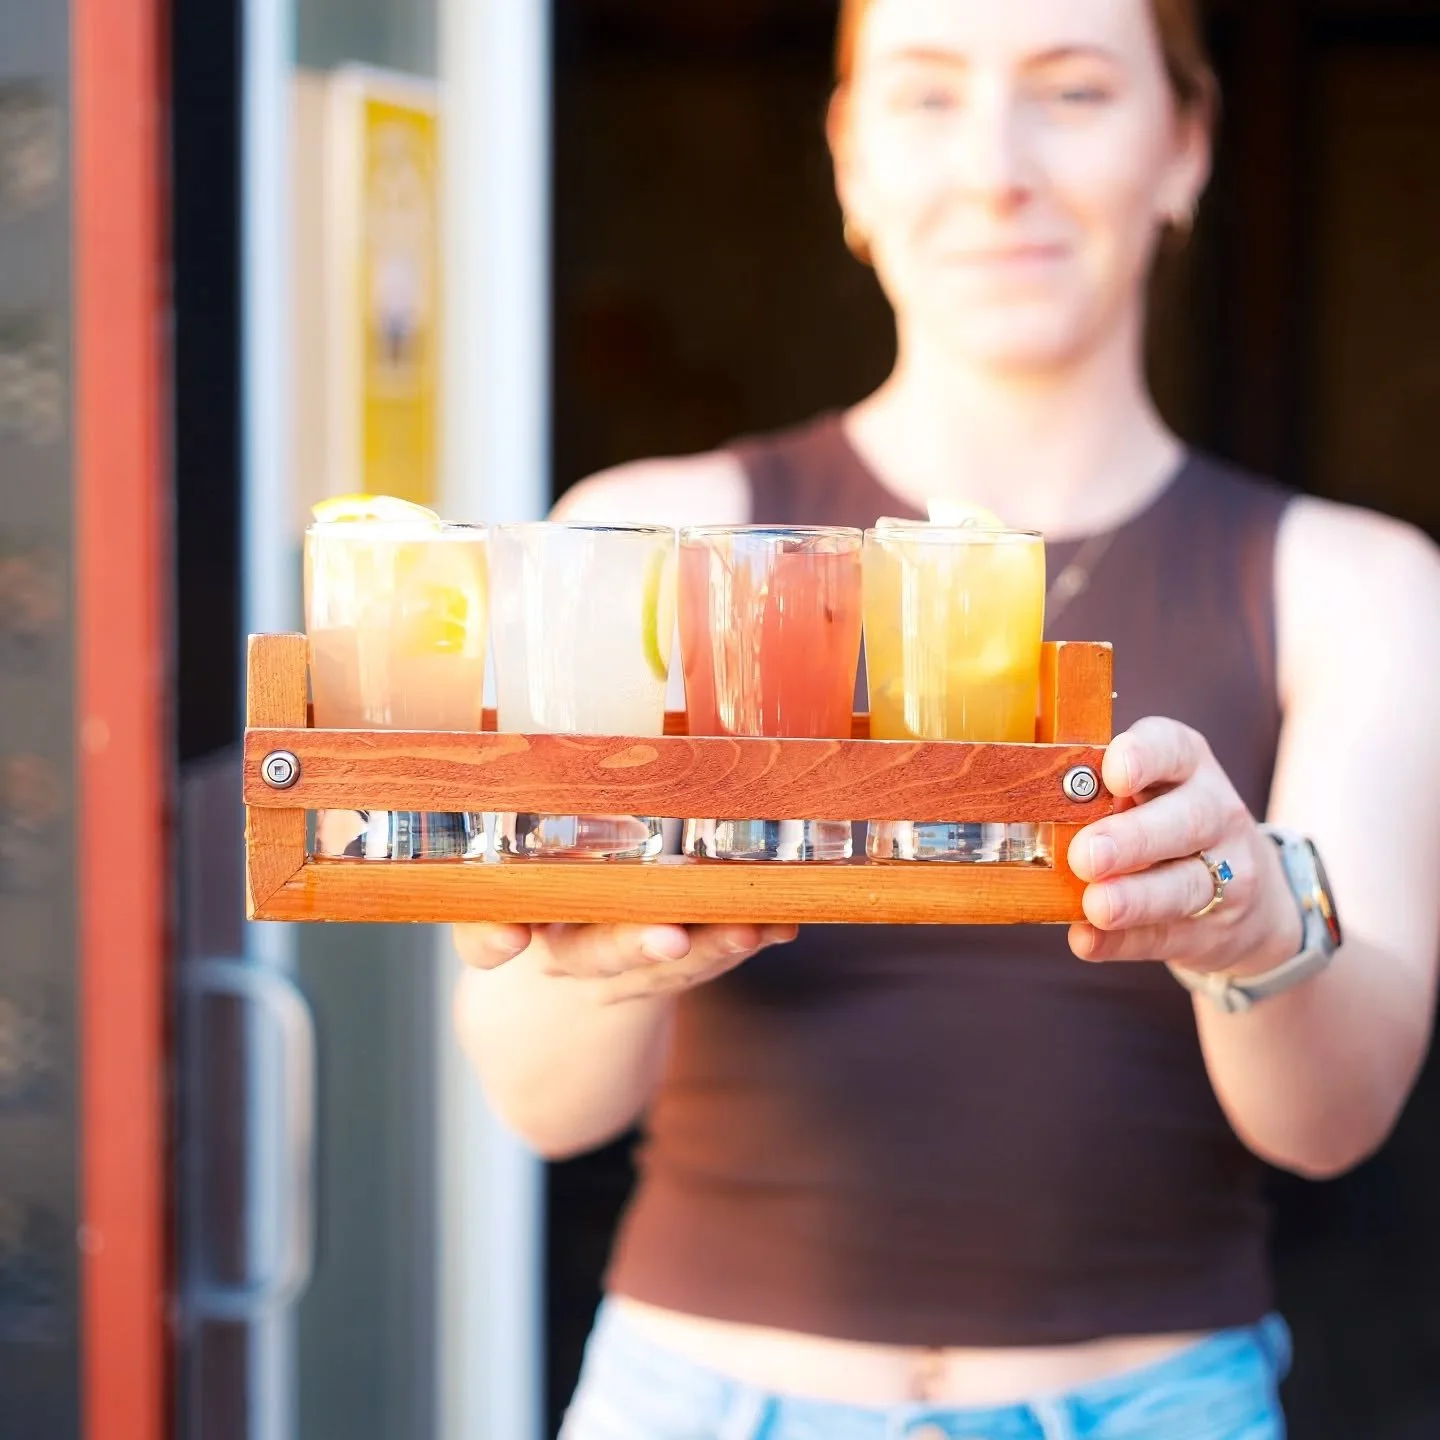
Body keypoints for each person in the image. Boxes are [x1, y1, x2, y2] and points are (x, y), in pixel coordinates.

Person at [454, 0, 1440, 1435]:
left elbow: (1329, 1119)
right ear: (849, 159)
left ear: (1187, 143)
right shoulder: (646, 538)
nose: (998, 168)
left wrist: (1250, 923)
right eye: (926, 97)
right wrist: (617, 947)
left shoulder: (1361, 583)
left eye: (1074, 90)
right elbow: (540, 1104)